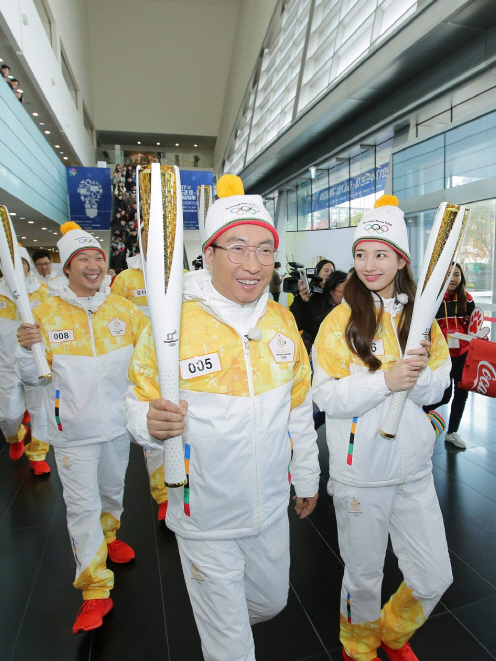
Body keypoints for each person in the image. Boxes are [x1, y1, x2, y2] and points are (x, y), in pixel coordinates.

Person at [124, 174, 320, 661]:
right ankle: (222, 623)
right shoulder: (172, 321)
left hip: (270, 506)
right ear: (208, 254)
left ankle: (223, 614)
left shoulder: (281, 319)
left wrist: (307, 476)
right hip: (203, 510)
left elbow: (299, 406)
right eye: (236, 248)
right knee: (231, 648)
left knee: (272, 602)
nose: (252, 265)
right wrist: (146, 421)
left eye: (264, 250)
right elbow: (135, 401)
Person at [312, 195, 453, 661]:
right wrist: (383, 381)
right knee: (364, 575)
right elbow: (326, 396)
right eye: (360, 253)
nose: (369, 264)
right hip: (361, 472)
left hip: (413, 468)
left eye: (380, 253)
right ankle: (359, 646)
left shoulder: (423, 317)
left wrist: (411, 382)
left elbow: (438, 387)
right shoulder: (339, 321)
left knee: (435, 575)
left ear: (401, 259)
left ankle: (392, 631)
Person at [16, 222, 149, 634]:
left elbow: (147, 361)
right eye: (83, 260)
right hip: (71, 430)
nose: (93, 265)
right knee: (81, 507)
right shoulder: (43, 314)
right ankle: (94, 589)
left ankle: (109, 537)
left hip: (116, 426)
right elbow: (30, 377)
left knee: (112, 492)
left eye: (97, 258)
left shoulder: (123, 310)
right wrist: (25, 349)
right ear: (67, 267)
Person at [0, 249, 50, 475]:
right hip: (6, 364)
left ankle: (37, 456)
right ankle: (16, 435)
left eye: (21, 264)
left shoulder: (44, 293)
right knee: (7, 416)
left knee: (41, 415)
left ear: (28, 266)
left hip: (36, 362)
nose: (16, 269)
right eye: (10, 264)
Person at [110, 251, 168, 520]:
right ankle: (164, 494)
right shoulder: (125, 279)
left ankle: (180, 489)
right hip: (144, 356)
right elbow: (114, 314)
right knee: (155, 422)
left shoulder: (181, 273)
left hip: (176, 351)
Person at [423, 263, 475, 449]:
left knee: (462, 393)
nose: (453, 279)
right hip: (440, 356)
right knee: (443, 396)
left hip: (463, 353)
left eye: (457, 275)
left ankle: (452, 432)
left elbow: (473, 326)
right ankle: (420, 418)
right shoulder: (433, 299)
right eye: (449, 275)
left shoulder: (467, 299)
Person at [290, 259, 335, 336]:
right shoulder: (309, 293)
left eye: (332, 272)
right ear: (317, 273)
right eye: (326, 271)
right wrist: (301, 300)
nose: (329, 274)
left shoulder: (335, 295)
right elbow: (297, 323)